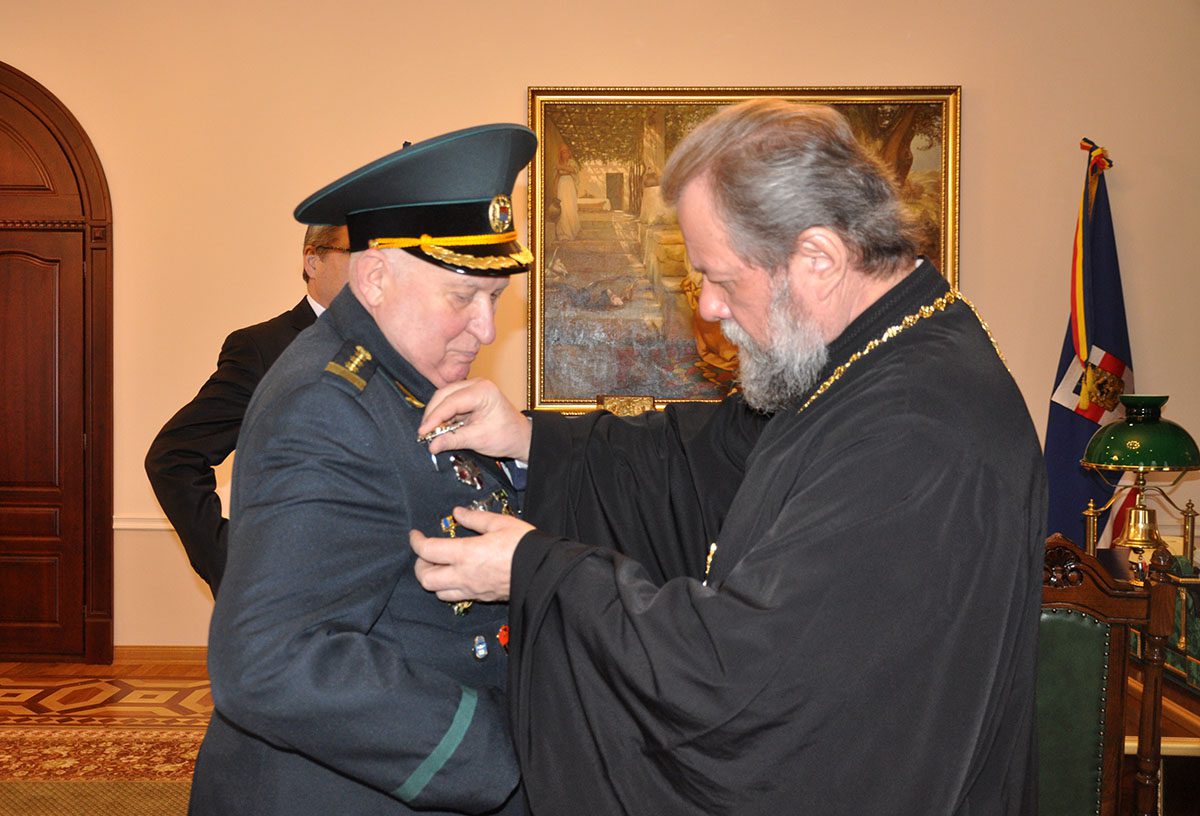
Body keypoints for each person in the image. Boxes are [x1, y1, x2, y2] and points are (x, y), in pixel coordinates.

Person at [412, 100, 1047, 815]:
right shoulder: (865, 355)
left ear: (818, 259)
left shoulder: (915, 430)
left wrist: (535, 572)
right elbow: (708, 461)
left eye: (721, 277)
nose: (708, 307)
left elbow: (750, 679)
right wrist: (534, 440)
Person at [189, 124, 537, 816]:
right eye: (462, 297)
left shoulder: (401, 376)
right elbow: (269, 659)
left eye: (495, 298)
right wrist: (490, 754)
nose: (486, 329)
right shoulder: (328, 405)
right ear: (375, 277)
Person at [144, 224, 350, 596]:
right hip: (293, 595)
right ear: (313, 261)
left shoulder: (400, 347)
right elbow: (174, 457)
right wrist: (230, 565)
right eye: (357, 253)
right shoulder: (263, 348)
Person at [553, 143, 580, 241]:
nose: (565, 154)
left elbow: (574, 170)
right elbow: (556, 176)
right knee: (563, 207)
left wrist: (562, 168)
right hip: (562, 185)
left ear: (569, 153)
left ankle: (572, 231)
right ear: (560, 153)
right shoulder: (558, 163)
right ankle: (564, 234)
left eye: (566, 151)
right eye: (562, 152)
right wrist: (555, 187)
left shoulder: (572, 162)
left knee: (570, 206)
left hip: (569, 185)